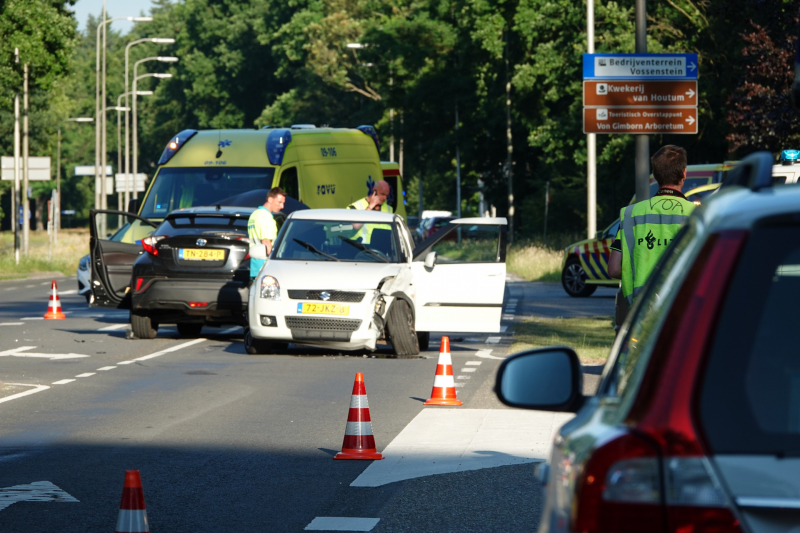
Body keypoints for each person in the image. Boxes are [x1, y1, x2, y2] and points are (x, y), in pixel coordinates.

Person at [608, 145, 696, 304]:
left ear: (654, 174)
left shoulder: (631, 214)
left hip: (641, 309)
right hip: (682, 306)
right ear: (684, 173)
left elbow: (614, 269)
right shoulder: (698, 214)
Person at [248, 187, 286, 279]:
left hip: (255, 264)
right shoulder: (266, 217)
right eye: (279, 202)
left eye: (283, 203)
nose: (282, 206)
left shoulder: (254, 214)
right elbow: (266, 241)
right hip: (265, 265)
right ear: (270, 199)